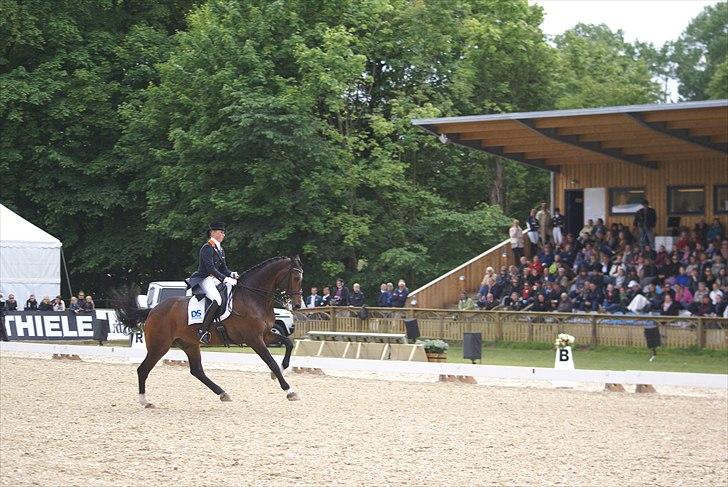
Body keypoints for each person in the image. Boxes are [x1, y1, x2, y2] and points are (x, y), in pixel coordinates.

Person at [187, 222, 239, 344]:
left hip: (215, 278)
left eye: (223, 232)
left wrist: (231, 274)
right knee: (217, 299)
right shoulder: (207, 247)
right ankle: (203, 331)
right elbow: (210, 269)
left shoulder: (220, 249)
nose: (223, 235)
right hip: (204, 278)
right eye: (221, 232)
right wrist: (225, 279)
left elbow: (223, 269)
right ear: (213, 233)